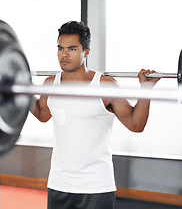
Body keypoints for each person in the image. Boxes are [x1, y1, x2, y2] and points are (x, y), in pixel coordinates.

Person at [31, 21, 159, 209]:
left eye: (72, 49)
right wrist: (18, 90)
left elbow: (135, 124)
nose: (64, 54)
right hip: (59, 183)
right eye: (60, 48)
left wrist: (146, 89)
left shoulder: (105, 86)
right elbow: (42, 114)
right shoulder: (50, 84)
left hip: (96, 186)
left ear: (87, 51)